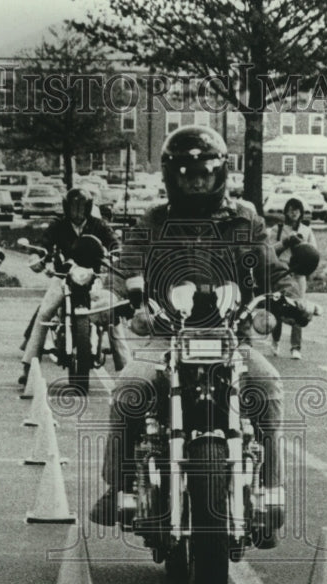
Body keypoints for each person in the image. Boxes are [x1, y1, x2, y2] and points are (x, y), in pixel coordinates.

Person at [89, 125, 314, 547]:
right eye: (187, 174)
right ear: (172, 176)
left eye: (204, 173)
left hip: (231, 336)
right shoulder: (156, 220)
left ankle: (268, 489)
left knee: (267, 387)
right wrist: (113, 296)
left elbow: (272, 268)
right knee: (129, 389)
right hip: (166, 335)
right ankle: (118, 485)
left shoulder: (243, 217)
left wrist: (287, 300)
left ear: (219, 174)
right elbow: (125, 263)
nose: (196, 181)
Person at [18, 187, 129, 387]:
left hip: (93, 276)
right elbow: (44, 244)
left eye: (81, 207)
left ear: (88, 208)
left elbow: (113, 242)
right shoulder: (58, 225)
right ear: (66, 207)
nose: (77, 212)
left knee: (111, 314)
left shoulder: (98, 225)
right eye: (73, 206)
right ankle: (28, 367)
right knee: (44, 314)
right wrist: (37, 257)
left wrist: (118, 254)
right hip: (63, 276)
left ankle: (127, 370)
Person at [269, 198, 319, 360]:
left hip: (298, 274)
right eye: (291, 209)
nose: (294, 212)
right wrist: (285, 242)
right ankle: (275, 340)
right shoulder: (278, 229)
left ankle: (295, 347)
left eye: (297, 209)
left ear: (301, 212)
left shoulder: (306, 230)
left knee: (300, 309)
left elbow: (313, 253)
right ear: (285, 212)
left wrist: (301, 244)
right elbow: (269, 251)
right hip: (280, 273)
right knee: (276, 307)